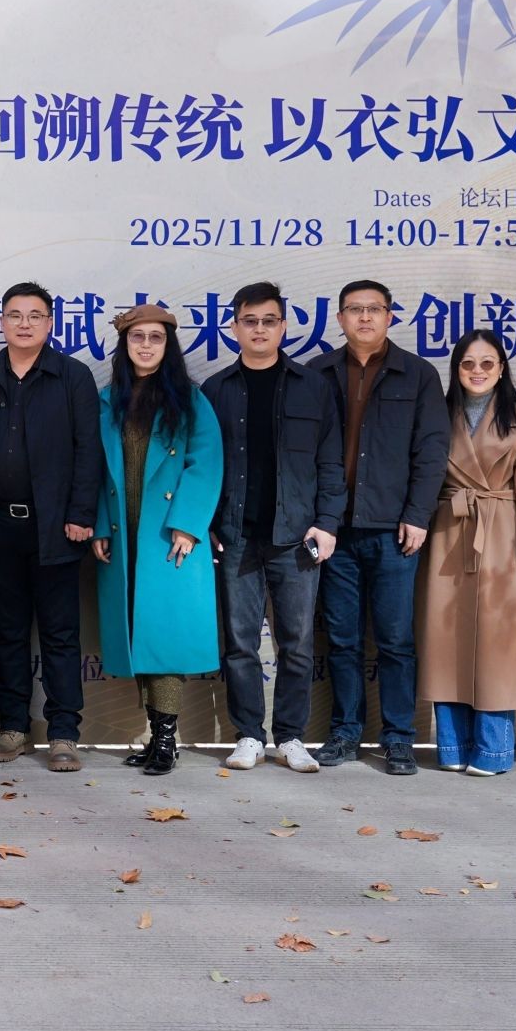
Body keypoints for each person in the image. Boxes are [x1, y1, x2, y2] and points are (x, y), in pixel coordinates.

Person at [202, 282, 345, 774]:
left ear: (283, 326)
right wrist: (208, 523)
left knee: (297, 643)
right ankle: (248, 734)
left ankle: (290, 736)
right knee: (240, 642)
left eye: (269, 321)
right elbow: (204, 465)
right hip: (236, 535)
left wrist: (327, 523)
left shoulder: (313, 386)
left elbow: (331, 461)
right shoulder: (216, 390)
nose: (259, 329)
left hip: (297, 537)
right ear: (234, 327)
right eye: (250, 321)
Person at [0, 283, 102, 772]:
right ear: (1, 322)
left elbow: (89, 449)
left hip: (56, 526)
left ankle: (64, 732)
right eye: (15, 315)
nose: (24, 324)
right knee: (8, 632)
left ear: (50, 323)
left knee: (61, 634)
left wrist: (81, 514)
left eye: (35, 315)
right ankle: (13, 728)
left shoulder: (73, 376)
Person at [313, 280, 449, 776]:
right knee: (342, 640)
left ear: (391, 316)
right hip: (334, 531)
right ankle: (345, 734)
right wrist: (318, 519)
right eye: (355, 309)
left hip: (394, 531)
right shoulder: (317, 374)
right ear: (340, 318)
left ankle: (398, 738)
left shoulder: (418, 374)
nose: (365, 317)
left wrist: (417, 514)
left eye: (374, 309)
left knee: (395, 641)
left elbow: (432, 450)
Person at [91, 304, 223, 777]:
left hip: (167, 535)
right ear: (124, 345)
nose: (146, 345)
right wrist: (100, 525)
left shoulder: (190, 400)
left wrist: (187, 524)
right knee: (137, 637)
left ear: (169, 346)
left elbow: (206, 463)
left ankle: (166, 740)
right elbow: (95, 470)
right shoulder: (108, 400)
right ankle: (155, 736)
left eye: (156, 337)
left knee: (164, 636)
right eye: (137, 337)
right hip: (123, 533)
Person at [416, 330, 516, 777]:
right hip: (447, 533)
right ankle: (452, 747)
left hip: (501, 534)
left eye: (487, 363)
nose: (477, 371)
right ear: (456, 369)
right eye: (468, 363)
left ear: (501, 368)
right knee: (446, 641)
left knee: (498, 643)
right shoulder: (438, 413)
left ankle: (493, 751)